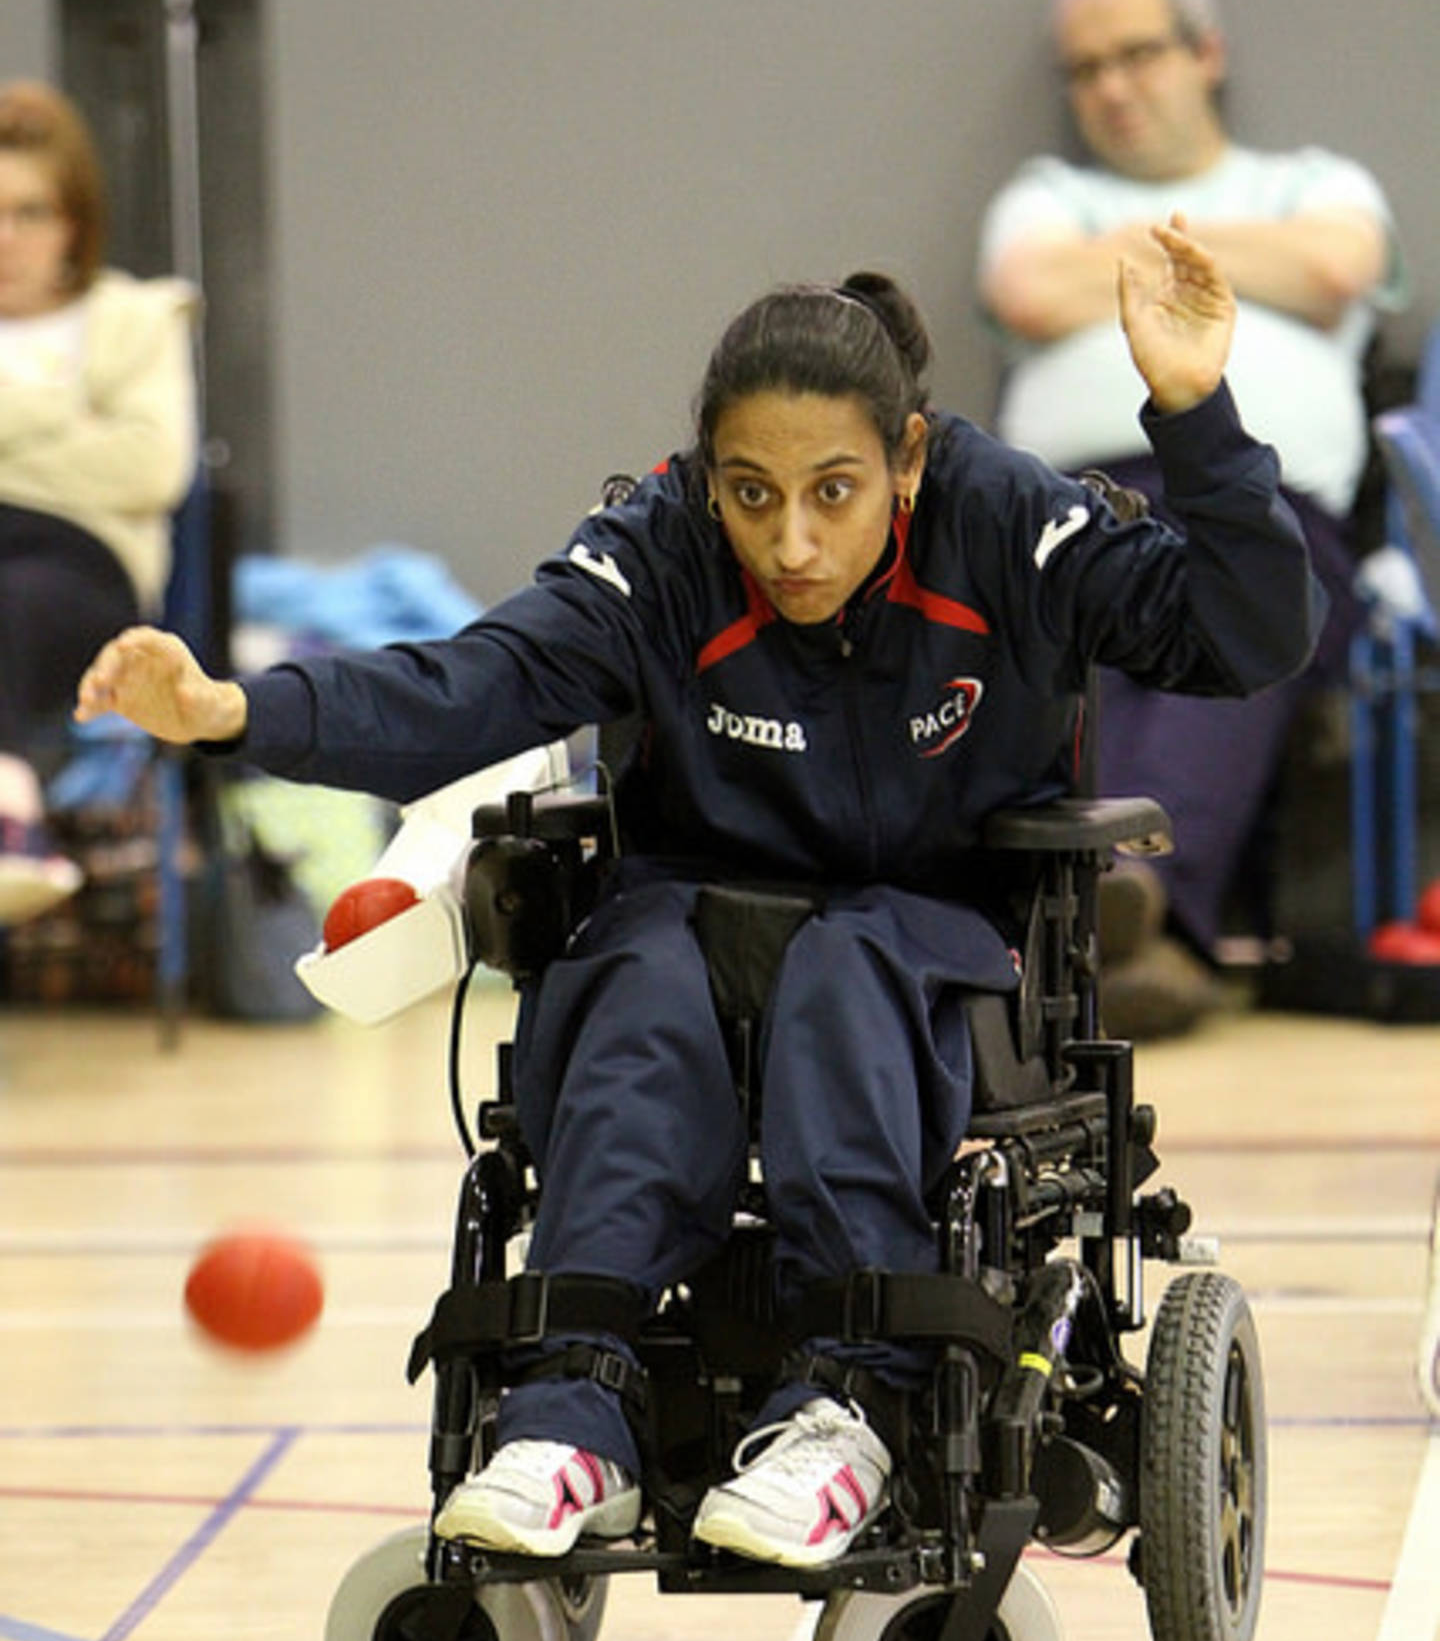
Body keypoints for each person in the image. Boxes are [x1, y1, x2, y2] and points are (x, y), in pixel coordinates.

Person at [77, 226, 1320, 1569]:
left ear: (907, 459)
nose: (790, 541)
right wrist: (227, 711)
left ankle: (848, 1405)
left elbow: (1248, 632)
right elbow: (472, 685)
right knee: (636, 962)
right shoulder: (661, 545)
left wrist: (1195, 413)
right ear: (707, 477)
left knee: (849, 959)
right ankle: (570, 1421)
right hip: (700, 920)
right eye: (751, 492)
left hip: (933, 937)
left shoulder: (1005, 520)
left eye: (835, 491)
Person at [977, 0, 1409, 1036]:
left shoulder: (1315, 180)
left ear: (1205, 55)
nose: (1113, 88)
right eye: (1087, 69)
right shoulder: (1047, 196)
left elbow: (1335, 266)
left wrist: (1124, 261)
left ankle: (1127, 905)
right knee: (1086, 645)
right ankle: (1147, 932)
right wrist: (1235, 265)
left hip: (1268, 510)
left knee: (1246, 610)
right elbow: (1025, 288)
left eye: (1138, 54)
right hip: (1069, 509)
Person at [0, 79, 199, 925]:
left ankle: (7, 807)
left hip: (82, 566)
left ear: (73, 221)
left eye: (31, 210)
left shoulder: (134, 318)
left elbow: (151, 467)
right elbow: (108, 451)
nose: (6, 236)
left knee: (11, 600)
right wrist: (63, 419)